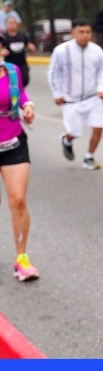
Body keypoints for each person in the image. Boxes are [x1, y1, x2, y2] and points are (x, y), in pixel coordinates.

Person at [46, 20, 103, 170]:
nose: (85, 35)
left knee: (99, 127)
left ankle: (89, 157)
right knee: (74, 132)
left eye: (88, 32)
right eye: (81, 32)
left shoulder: (97, 51)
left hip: (92, 98)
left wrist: (101, 88)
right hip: (71, 100)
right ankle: (67, 140)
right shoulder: (61, 51)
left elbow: (102, 71)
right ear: (73, 33)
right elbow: (53, 73)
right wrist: (57, 93)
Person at [0, 58, 37, 281]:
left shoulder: (12, 71)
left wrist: (27, 105)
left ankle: (21, 258)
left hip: (13, 141)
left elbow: (20, 94)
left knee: (18, 200)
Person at [1, 16, 36, 87]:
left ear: (17, 24)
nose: (12, 25)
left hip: (22, 62)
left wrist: (31, 46)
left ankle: (20, 90)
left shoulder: (23, 34)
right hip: (10, 64)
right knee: (12, 81)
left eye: (13, 23)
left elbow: (28, 43)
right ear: (6, 25)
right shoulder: (4, 37)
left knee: (25, 79)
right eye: (10, 23)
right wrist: (2, 52)